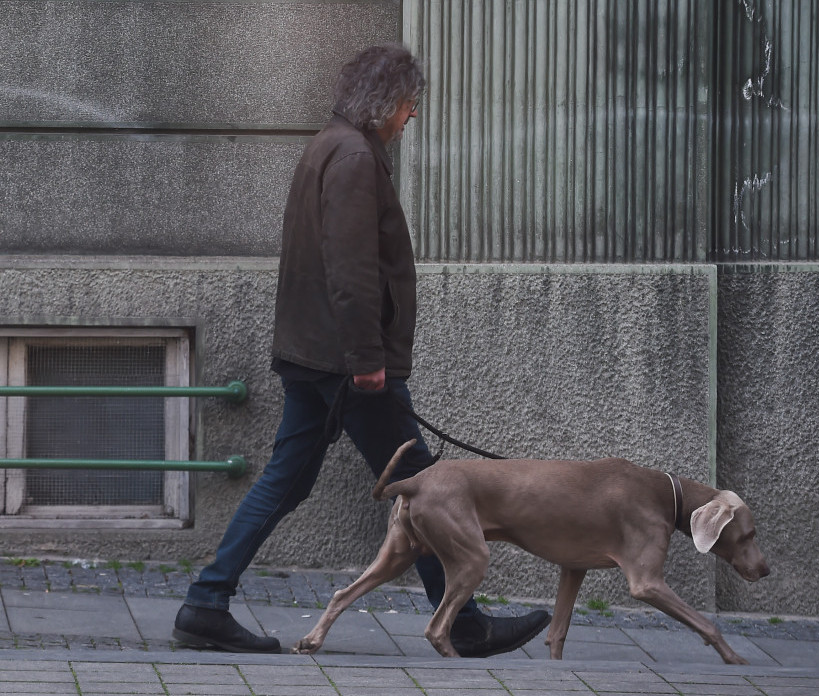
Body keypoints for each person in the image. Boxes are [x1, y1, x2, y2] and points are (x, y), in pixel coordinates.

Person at [172, 44, 550, 656]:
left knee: (291, 482)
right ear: (384, 103)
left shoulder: (332, 145)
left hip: (317, 355)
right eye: (409, 104)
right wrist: (368, 359)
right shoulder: (351, 157)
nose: (412, 116)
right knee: (427, 484)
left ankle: (206, 603)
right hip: (344, 362)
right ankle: (464, 622)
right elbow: (350, 272)